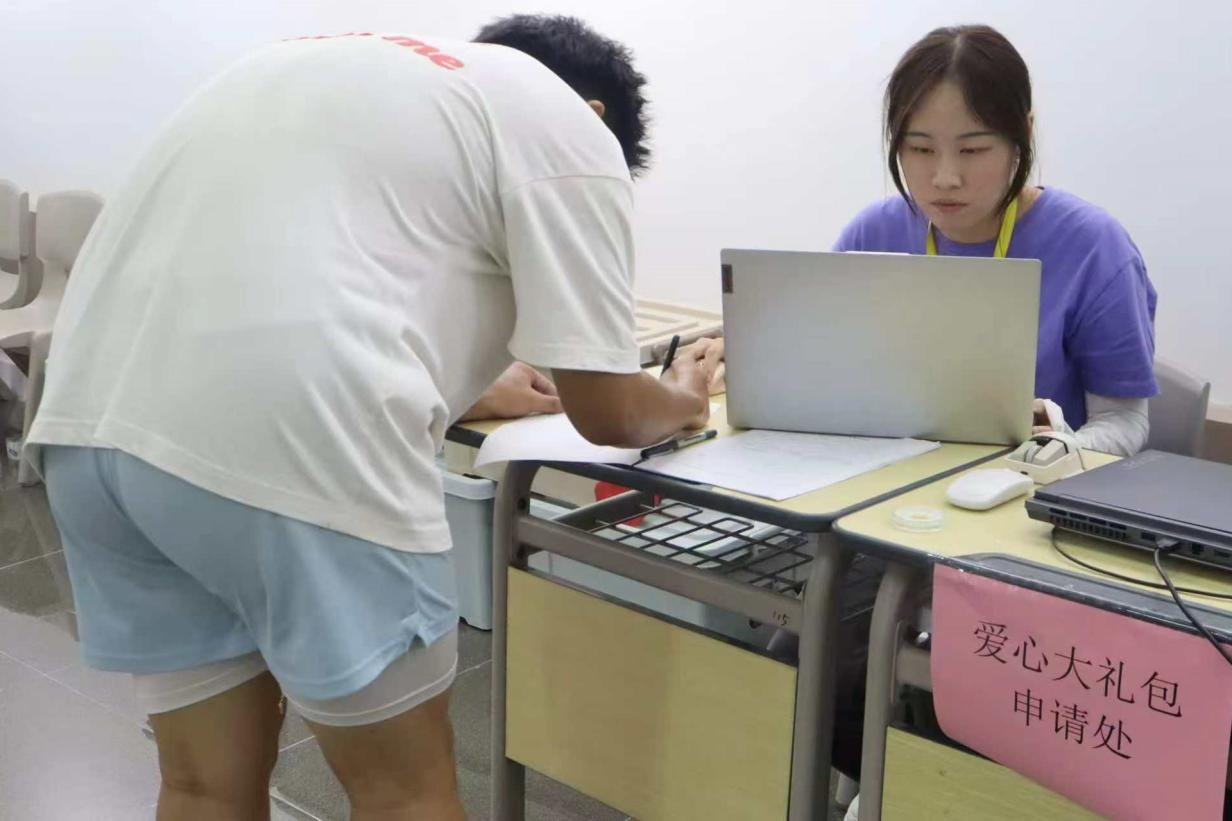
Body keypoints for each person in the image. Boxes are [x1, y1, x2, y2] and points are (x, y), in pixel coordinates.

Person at [26, 15, 719, 820]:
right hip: (292, 446)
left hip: (88, 422)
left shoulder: (335, 65)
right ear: (598, 116)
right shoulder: (571, 124)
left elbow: (303, 270)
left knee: (201, 784)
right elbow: (610, 410)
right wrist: (684, 395)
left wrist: (464, 381)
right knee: (402, 792)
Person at [836, 24, 1158, 456]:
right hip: (882, 480)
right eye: (921, 149)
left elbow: (1124, 420)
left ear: (1022, 134)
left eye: (972, 150)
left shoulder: (1093, 248)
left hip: (1023, 487)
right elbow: (824, 376)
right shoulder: (871, 235)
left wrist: (1063, 450)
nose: (945, 178)